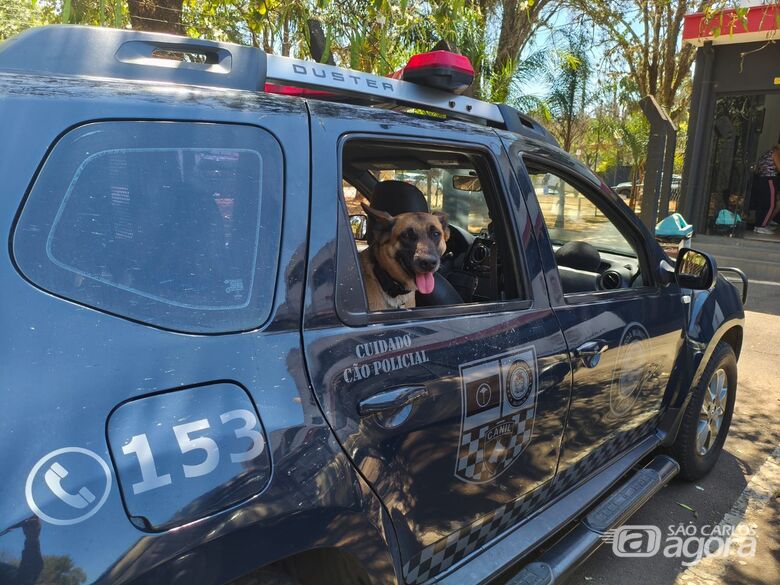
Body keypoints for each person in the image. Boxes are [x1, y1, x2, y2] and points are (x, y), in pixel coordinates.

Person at [751, 144, 780, 235]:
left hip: (761, 179)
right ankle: (762, 226)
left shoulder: (767, 153)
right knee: (771, 205)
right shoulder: (776, 152)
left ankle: (758, 226)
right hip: (769, 179)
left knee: (762, 204)